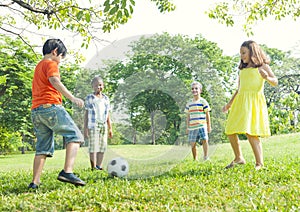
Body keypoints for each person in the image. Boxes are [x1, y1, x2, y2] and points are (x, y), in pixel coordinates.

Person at [28, 39, 86, 189]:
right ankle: (67, 171)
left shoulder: (38, 66)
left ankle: (35, 182)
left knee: (42, 148)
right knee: (75, 136)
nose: (59, 62)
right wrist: (72, 97)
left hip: (36, 111)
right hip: (51, 108)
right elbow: (54, 80)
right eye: (61, 57)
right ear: (55, 52)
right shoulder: (50, 64)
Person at [222, 40, 278, 170]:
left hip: (254, 102)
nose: (241, 56)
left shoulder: (262, 67)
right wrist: (229, 104)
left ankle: (259, 163)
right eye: (240, 53)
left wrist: (267, 78)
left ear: (252, 52)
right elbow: (239, 89)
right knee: (230, 129)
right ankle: (239, 158)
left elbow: (275, 82)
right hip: (240, 101)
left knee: (251, 133)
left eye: (244, 53)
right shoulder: (242, 70)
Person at [84, 76, 113, 171]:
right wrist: (85, 128)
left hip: (103, 124)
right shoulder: (90, 98)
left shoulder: (106, 99)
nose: (98, 87)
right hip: (93, 124)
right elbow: (86, 113)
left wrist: (110, 128)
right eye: (96, 85)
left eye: (100, 85)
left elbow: (108, 114)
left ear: (103, 85)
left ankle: (99, 166)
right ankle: (93, 167)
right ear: (92, 87)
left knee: (102, 146)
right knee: (93, 146)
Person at [185, 81, 211, 161]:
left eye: (196, 88)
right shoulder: (189, 103)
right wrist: (187, 127)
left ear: (200, 90)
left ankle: (206, 157)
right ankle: (195, 158)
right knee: (192, 143)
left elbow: (207, 114)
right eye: (192, 89)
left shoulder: (203, 101)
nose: (194, 90)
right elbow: (188, 116)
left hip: (202, 125)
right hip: (192, 126)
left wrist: (209, 126)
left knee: (204, 140)